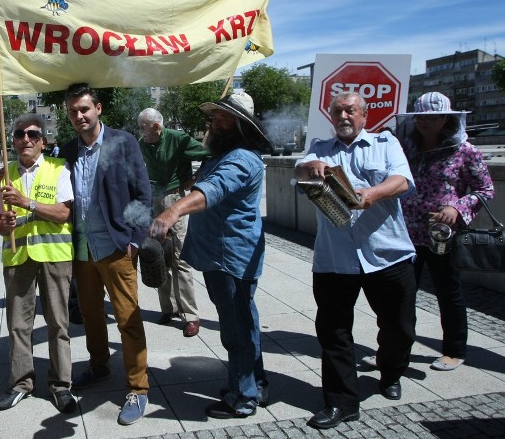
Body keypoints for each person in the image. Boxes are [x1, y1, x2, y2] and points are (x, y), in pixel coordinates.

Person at [295, 91, 417, 430]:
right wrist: (309, 165)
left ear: (364, 116)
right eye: (338, 111)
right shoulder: (319, 148)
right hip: (335, 260)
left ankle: (391, 370)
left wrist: (373, 193)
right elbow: (297, 168)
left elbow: (402, 180)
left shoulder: (384, 142)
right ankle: (341, 403)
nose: (344, 116)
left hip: (387, 255)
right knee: (333, 333)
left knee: (400, 327)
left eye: (351, 110)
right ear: (331, 117)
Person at [149, 93, 271, 419]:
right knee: (246, 323)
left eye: (224, 118)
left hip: (230, 259)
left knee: (236, 330)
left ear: (242, 125)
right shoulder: (222, 155)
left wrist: (172, 212)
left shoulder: (242, 159)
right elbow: (202, 180)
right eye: (214, 117)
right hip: (220, 257)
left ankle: (242, 397)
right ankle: (255, 382)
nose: (215, 123)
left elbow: (212, 190)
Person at [61, 82, 152, 426]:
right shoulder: (67, 150)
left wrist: (134, 239)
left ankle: (138, 388)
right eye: (73, 111)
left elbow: (141, 191)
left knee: (127, 317)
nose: (79, 116)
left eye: (84, 109)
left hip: (116, 245)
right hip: (82, 248)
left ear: (98, 108)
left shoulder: (122, 142)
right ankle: (99, 366)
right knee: (90, 313)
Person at [392, 92, 494, 371]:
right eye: (421, 118)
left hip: (442, 235)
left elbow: (486, 190)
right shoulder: (405, 148)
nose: (426, 123)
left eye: (433, 117)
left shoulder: (465, 151)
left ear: (447, 118)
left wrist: (458, 208)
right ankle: (396, 350)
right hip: (405, 233)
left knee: (448, 292)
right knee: (401, 294)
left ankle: (454, 350)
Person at [0, 114, 75, 413]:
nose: (25, 139)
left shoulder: (59, 168)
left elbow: (64, 213)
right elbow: (0, 226)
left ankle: (61, 385)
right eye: (19, 134)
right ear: (13, 141)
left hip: (54, 257)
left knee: (58, 323)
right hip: (17, 258)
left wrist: (26, 202)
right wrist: (5, 223)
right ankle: (20, 384)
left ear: (42, 141)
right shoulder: (6, 174)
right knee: (17, 325)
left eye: (32, 134)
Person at [137, 107, 204, 337]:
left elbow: (208, 154)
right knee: (159, 255)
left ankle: (190, 315)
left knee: (180, 258)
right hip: (152, 200)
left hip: (174, 198)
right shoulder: (142, 143)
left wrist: (195, 179)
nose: (141, 132)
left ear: (157, 126)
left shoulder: (179, 139)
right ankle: (169, 308)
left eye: (144, 127)